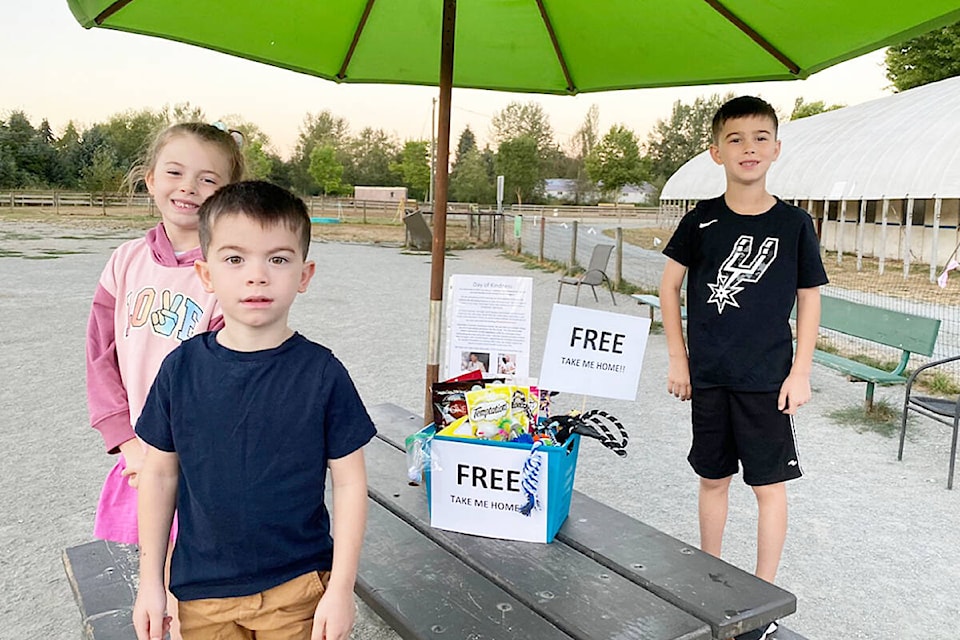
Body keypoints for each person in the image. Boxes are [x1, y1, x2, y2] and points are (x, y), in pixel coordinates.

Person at [132, 181, 376, 640]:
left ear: (305, 275)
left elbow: (349, 483)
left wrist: (341, 588)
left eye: (279, 259)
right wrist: (151, 583)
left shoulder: (323, 374)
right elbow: (159, 475)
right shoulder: (179, 370)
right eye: (235, 258)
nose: (257, 275)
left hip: (299, 587)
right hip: (201, 591)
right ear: (206, 275)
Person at [659, 96, 827, 640]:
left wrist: (800, 371)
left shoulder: (795, 223)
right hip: (709, 376)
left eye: (760, 138)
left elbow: (809, 298)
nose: (748, 148)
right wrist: (679, 360)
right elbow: (668, 287)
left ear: (776, 149)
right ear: (715, 152)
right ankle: (708, 580)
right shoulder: (700, 220)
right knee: (712, 479)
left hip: (767, 382)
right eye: (735, 139)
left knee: (769, 487)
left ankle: (763, 598)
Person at [86, 122, 245, 636]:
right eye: (175, 173)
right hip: (139, 450)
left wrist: (177, 450)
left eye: (208, 180)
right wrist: (124, 437)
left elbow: (227, 378)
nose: (188, 188)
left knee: (189, 587)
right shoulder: (126, 261)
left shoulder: (228, 272)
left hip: (200, 458)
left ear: (230, 194)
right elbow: (100, 354)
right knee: (149, 577)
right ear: (150, 179)